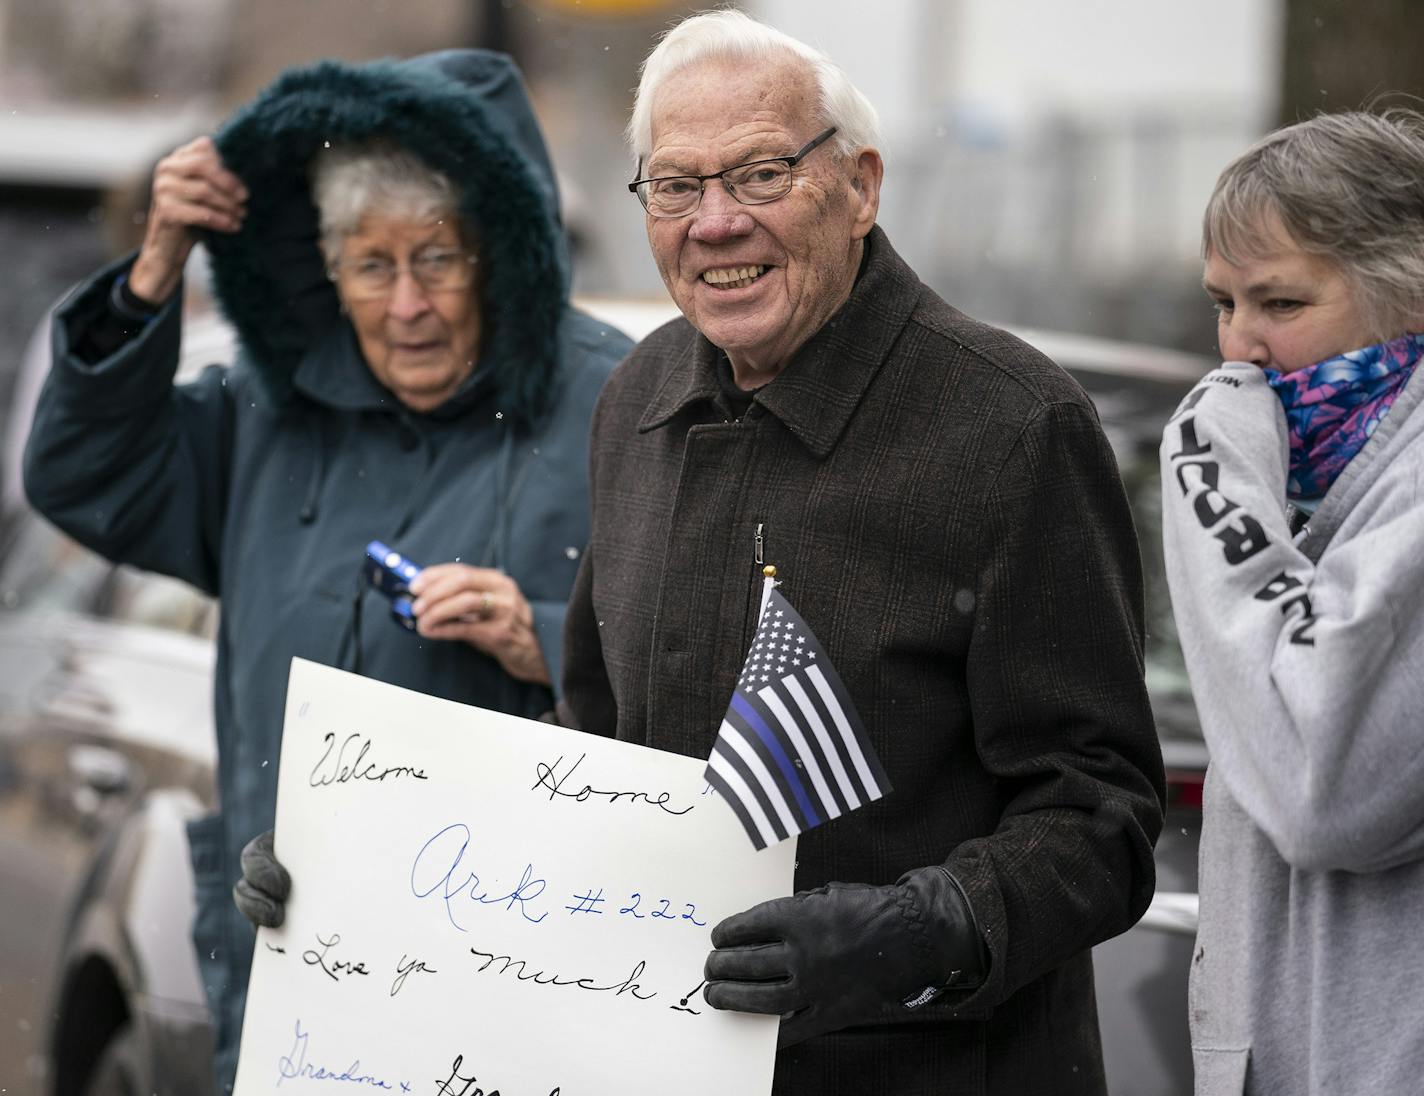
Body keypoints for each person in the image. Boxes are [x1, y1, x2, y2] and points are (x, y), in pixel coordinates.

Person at [555, 12, 1165, 1094]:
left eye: (757, 175)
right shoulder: (636, 397)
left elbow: (1099, 814)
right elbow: (591, 747)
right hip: (659, 1058)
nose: (713, 224)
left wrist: (915, 931)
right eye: (675, 186)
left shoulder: (1012, 427)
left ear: (861, 186)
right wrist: (356, 870)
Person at [22, 50, 630, 1094]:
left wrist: (544, 638)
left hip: (523, 983)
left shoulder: (617, 405)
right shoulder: (268, 407)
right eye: (369, 263)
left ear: (502, 253)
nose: (405, 304)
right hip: (293, 981)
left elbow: (709, 669)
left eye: (437, 258)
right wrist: (156, 265)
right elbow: (82, 476)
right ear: (326, 269)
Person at [1161, 110, 1424, 1095]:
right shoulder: (1312, 475)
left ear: (1406, 290)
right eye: (1221, 304)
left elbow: (1327, 791)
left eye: (1278, 301)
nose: (1240, 349)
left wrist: (1207, 483)